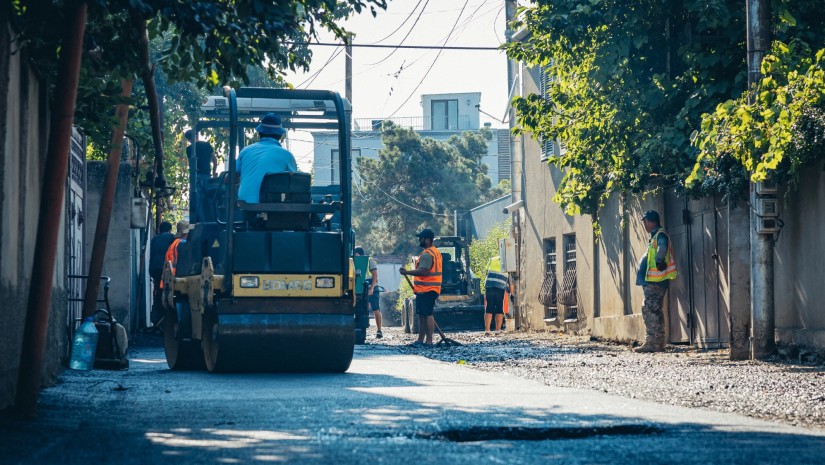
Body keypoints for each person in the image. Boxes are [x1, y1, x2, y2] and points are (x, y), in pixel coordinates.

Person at [635, 210, 678, 353]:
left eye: (645, 222)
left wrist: (659, 261)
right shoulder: (655, 236)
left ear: (649, 221)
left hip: (655, 282)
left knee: (650, 309)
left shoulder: (660, 235)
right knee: (654, 310)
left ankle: (653, 342)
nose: (645, 225)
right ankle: (657, 342)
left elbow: (662, 248)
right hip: (653, 281)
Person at [236, 113, 298, 204]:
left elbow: (232, 177)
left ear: (259, 133)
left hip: (246, 204)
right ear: (280, 135)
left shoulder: (245, 151)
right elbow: (295, 182)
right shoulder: (287, 155)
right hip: (274, 206)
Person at [400, 229, 442, 348]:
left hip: (428, 289)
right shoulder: (435, 252)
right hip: (427, 289)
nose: (419, 240)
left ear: (427, 239)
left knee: (427, 314)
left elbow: (424, 271)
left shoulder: (427, 254)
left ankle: (428, 341)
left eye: (421, 238)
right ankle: (420, 340)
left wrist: (407, 272)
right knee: (422, 314)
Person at [184, 129, 216, 222]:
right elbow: (214, 159)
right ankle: (213, 221)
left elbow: (191, 164)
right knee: (210, 199)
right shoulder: (206, 145)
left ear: (188, 139)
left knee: (197, 202)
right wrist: (214, 172)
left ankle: (201, 223)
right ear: (197, 135)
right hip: (207, 175)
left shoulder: (189, 149)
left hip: (196, 177)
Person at [148, 221, 175, 325]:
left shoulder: (154, 239)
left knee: (158, 291)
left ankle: (156, 317)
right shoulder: (171, 238)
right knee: (165, 292)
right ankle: (163, 317)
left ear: (160, 229)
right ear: (170, 230)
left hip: (154, 269)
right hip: (165, 269)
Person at [355, 247, 382, 339]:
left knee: (375, 309)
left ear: (359, 254)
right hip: (362, 288)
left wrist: (372, 289)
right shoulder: (355, 261)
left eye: (356, 254)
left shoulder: (369, 260)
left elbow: (375, 274)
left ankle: (379, 330)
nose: (355, 256)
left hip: (371, 287)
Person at [483, 255, 512, 336]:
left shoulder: (492, 259)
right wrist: (511, 292)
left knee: (489, 307)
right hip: (500, 285)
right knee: (499, 307)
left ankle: (487, 331)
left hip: (489, 285)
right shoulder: (509, 262)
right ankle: (497, 330)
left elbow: (486, 273)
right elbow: (511, 279)